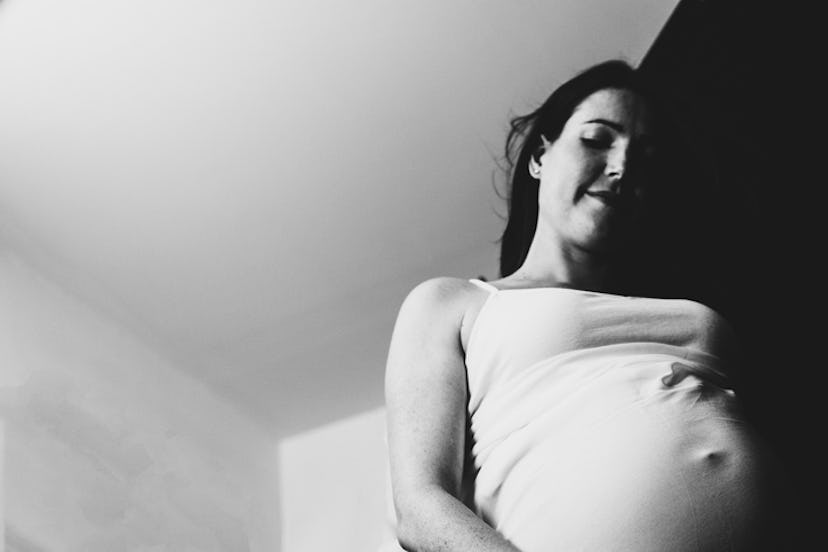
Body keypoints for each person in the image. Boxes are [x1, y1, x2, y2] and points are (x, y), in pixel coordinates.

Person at [383, 60, 796, 551]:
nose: (622, 168)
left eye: (645, 157)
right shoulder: (455, 302)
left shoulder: (687, 305)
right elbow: (422, 506)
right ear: (540, 157)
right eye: (598, 139)